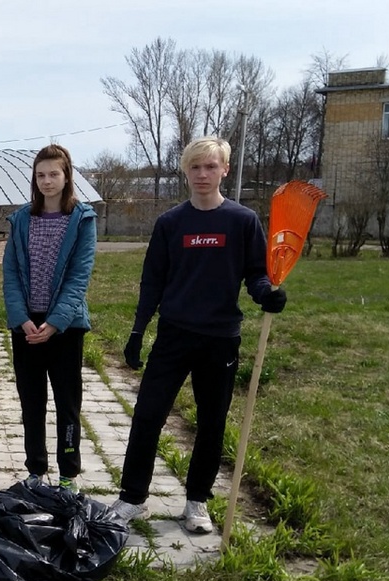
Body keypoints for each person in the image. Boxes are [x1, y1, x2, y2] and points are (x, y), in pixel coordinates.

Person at [108, 136, 287, 534]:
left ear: (225, 169)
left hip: (220, 338)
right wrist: (138, 330)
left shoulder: (242, 221)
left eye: (211, 166)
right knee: (148, 415)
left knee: (211, 422)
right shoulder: (171, 223)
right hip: (174, 335)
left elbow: (256, 273)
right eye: (195, 167)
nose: (202, 174)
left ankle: (197, 502)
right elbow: (152, 281)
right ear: (185, 171)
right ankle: (132, 498)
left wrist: (265, 295)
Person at [2, 144, 97, 494]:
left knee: (67, 403)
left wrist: (55, 323)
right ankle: (35, 470)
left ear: (66, 175)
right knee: (31, 402)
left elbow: (79, 276)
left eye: (53, 174)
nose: (47, 181)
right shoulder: (22, 219)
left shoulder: (82, 219)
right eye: (40, 175)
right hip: (26, 325)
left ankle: (69, 473)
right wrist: (21, 318)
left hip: (65, 327)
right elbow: (10, 273)